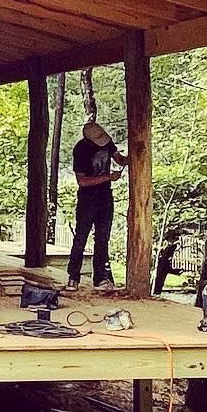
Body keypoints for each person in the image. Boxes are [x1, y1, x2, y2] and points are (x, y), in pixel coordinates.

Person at [65, 121, 128, 291]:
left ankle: (101, 278)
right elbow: (82, 181)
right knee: (81, 237)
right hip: (88, 198)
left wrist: (130, 158)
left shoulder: (107, 142)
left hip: (104, 196)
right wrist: (108, 177)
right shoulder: (81, 150)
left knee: (102, 238)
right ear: (89, 140)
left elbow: (119, 159)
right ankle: (73, 276)